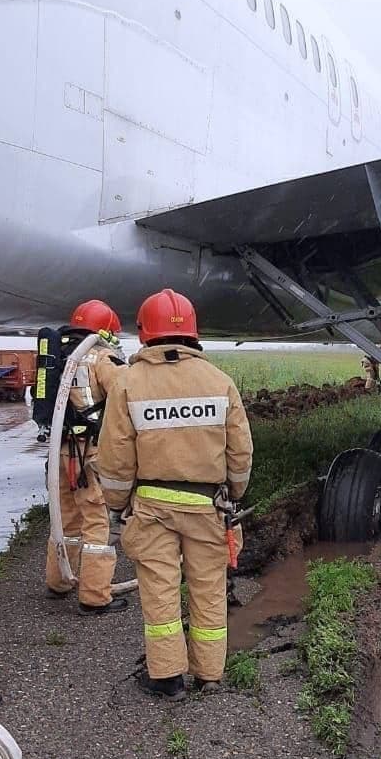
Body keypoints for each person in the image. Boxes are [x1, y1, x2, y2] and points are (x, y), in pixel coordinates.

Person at [97, 289, 253, 701]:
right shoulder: (219, 382)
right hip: (208, 506)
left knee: (160, 590)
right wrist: (234, 493)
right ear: (194, 335)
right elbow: (240, 453)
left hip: (152, 508)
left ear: (146, 333)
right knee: (208, 589)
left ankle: (167, 678)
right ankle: (210, 674)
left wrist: (116, 505)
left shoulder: (128, 383)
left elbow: (114, 458)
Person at [45, 300, 127, 614]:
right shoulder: (101, 357)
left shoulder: (60, 357)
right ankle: (94, 597)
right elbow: (126, 393)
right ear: (104, 330)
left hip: (62, 450)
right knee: (96, 523)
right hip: (89, 453)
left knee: (65, 519)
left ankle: (58, 581)